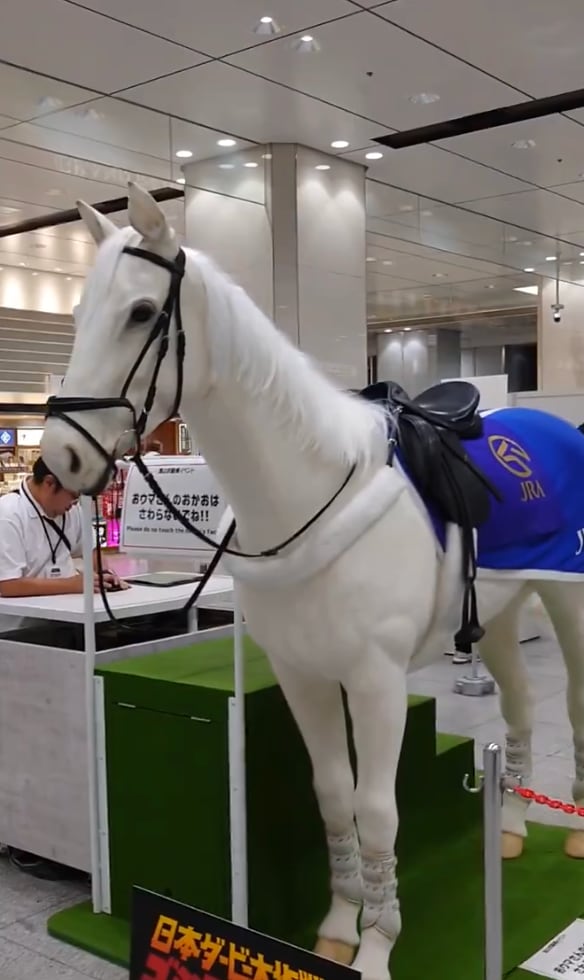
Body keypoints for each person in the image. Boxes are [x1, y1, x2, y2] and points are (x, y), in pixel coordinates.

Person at [0, 455, 128, 878]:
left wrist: (102, 575)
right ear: (49, 482)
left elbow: (87, 556)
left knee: (57, 739)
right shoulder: (9, 515)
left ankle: (59, 830)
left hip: (57, 636)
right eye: (72, 492)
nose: (76, 502)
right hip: (14, 642)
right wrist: (71, 584)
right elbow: (6, 584)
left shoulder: (68, 512)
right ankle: (23, 835)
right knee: (25, 742)